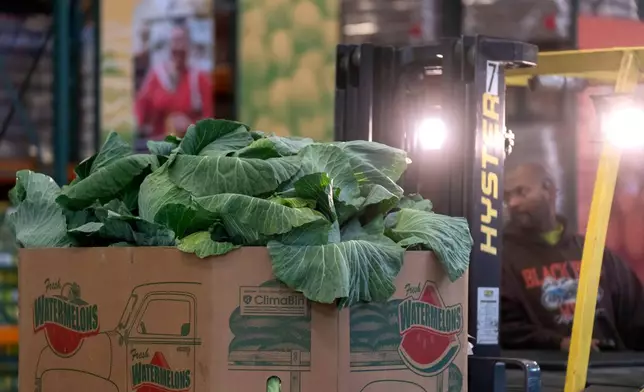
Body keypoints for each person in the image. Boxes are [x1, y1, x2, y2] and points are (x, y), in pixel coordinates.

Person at [501, 163, 644, 351]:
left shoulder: (593, 253)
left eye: (521, 192)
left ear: (548, 189)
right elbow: (502, 327)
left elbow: (636, 315)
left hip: (609, 372)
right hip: (543, 375)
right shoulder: (500, 258)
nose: (512, 203)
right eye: (507, 196)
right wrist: (558, 343)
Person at [134, 20, 213, 140]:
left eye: (183, 41)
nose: (178, 47)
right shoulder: (156, 76)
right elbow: (140, 114)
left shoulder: (199, 79)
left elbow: (212, 122)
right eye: (175, 41)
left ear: (189, 46)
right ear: (169, 46)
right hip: (160, 150)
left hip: (190, 149)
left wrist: (190, 126)